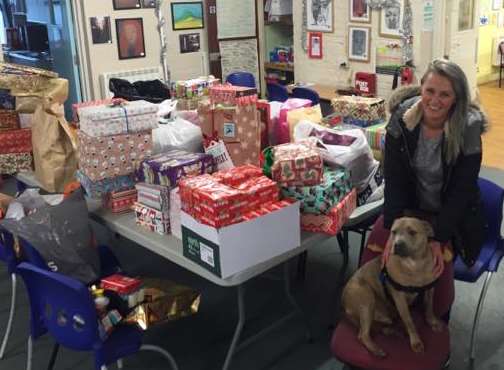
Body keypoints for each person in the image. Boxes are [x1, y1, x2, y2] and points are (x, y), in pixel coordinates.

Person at [363, 59, 488, 318]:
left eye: (445, 94)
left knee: (438, 264)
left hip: (451, 215)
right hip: (411, 208)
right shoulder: (402, 119)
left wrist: (438, 237)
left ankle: (435, 324)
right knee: (376, 246)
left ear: (457, 98)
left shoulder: (468, 128)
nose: (435, 100)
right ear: (421, 89)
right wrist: (391, 229)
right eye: (430, 91)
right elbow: (394, 179)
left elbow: (461, 192)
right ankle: (383, 307)